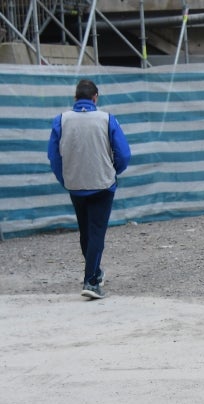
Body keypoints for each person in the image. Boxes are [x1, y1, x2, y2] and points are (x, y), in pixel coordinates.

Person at [48, 79, 131, 300]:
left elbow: (54, 156)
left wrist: (64, 178)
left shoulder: (61, 120)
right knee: (97, 232)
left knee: (85, 231)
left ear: (75, 99)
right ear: (96, 97)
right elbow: (124, 154)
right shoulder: (107, 119)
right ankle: (91, 281)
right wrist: (114, 172)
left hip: (75, 185)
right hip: (103, 184)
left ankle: (95, 272)